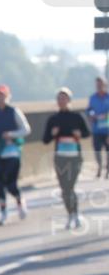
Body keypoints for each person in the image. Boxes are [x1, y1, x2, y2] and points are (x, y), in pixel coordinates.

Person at [0, 84, 31, 225]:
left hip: (11, 151)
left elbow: (26, 129)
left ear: (7, 96)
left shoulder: (14, 111)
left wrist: (11, 134)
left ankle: (19, 200)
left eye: (2, 95)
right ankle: (3, 212)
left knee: (10, 183)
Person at [42, 87, 90, 230]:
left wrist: (79, 134)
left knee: (70, 186)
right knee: (64, 188)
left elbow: (87, 133)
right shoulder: (53, 119)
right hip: (60, 157)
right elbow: (45, 140)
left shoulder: (77, 117)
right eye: (59, 99)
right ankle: (71, 214)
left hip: (75, 156)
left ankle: (75, 214)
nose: (61, 101)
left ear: (69, 100)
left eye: (64, 98)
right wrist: (53, 133)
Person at [87, 76, 109, 178]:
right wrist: (92, 115)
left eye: (101, 85)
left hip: (107, 129)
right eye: (97, 85)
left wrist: (106, 115)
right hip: (96, 129)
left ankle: (107, 169)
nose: (99, 86)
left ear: (105, 85)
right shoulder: (92, 98)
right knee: (97, 150)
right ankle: (99, 167)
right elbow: (89, 110)